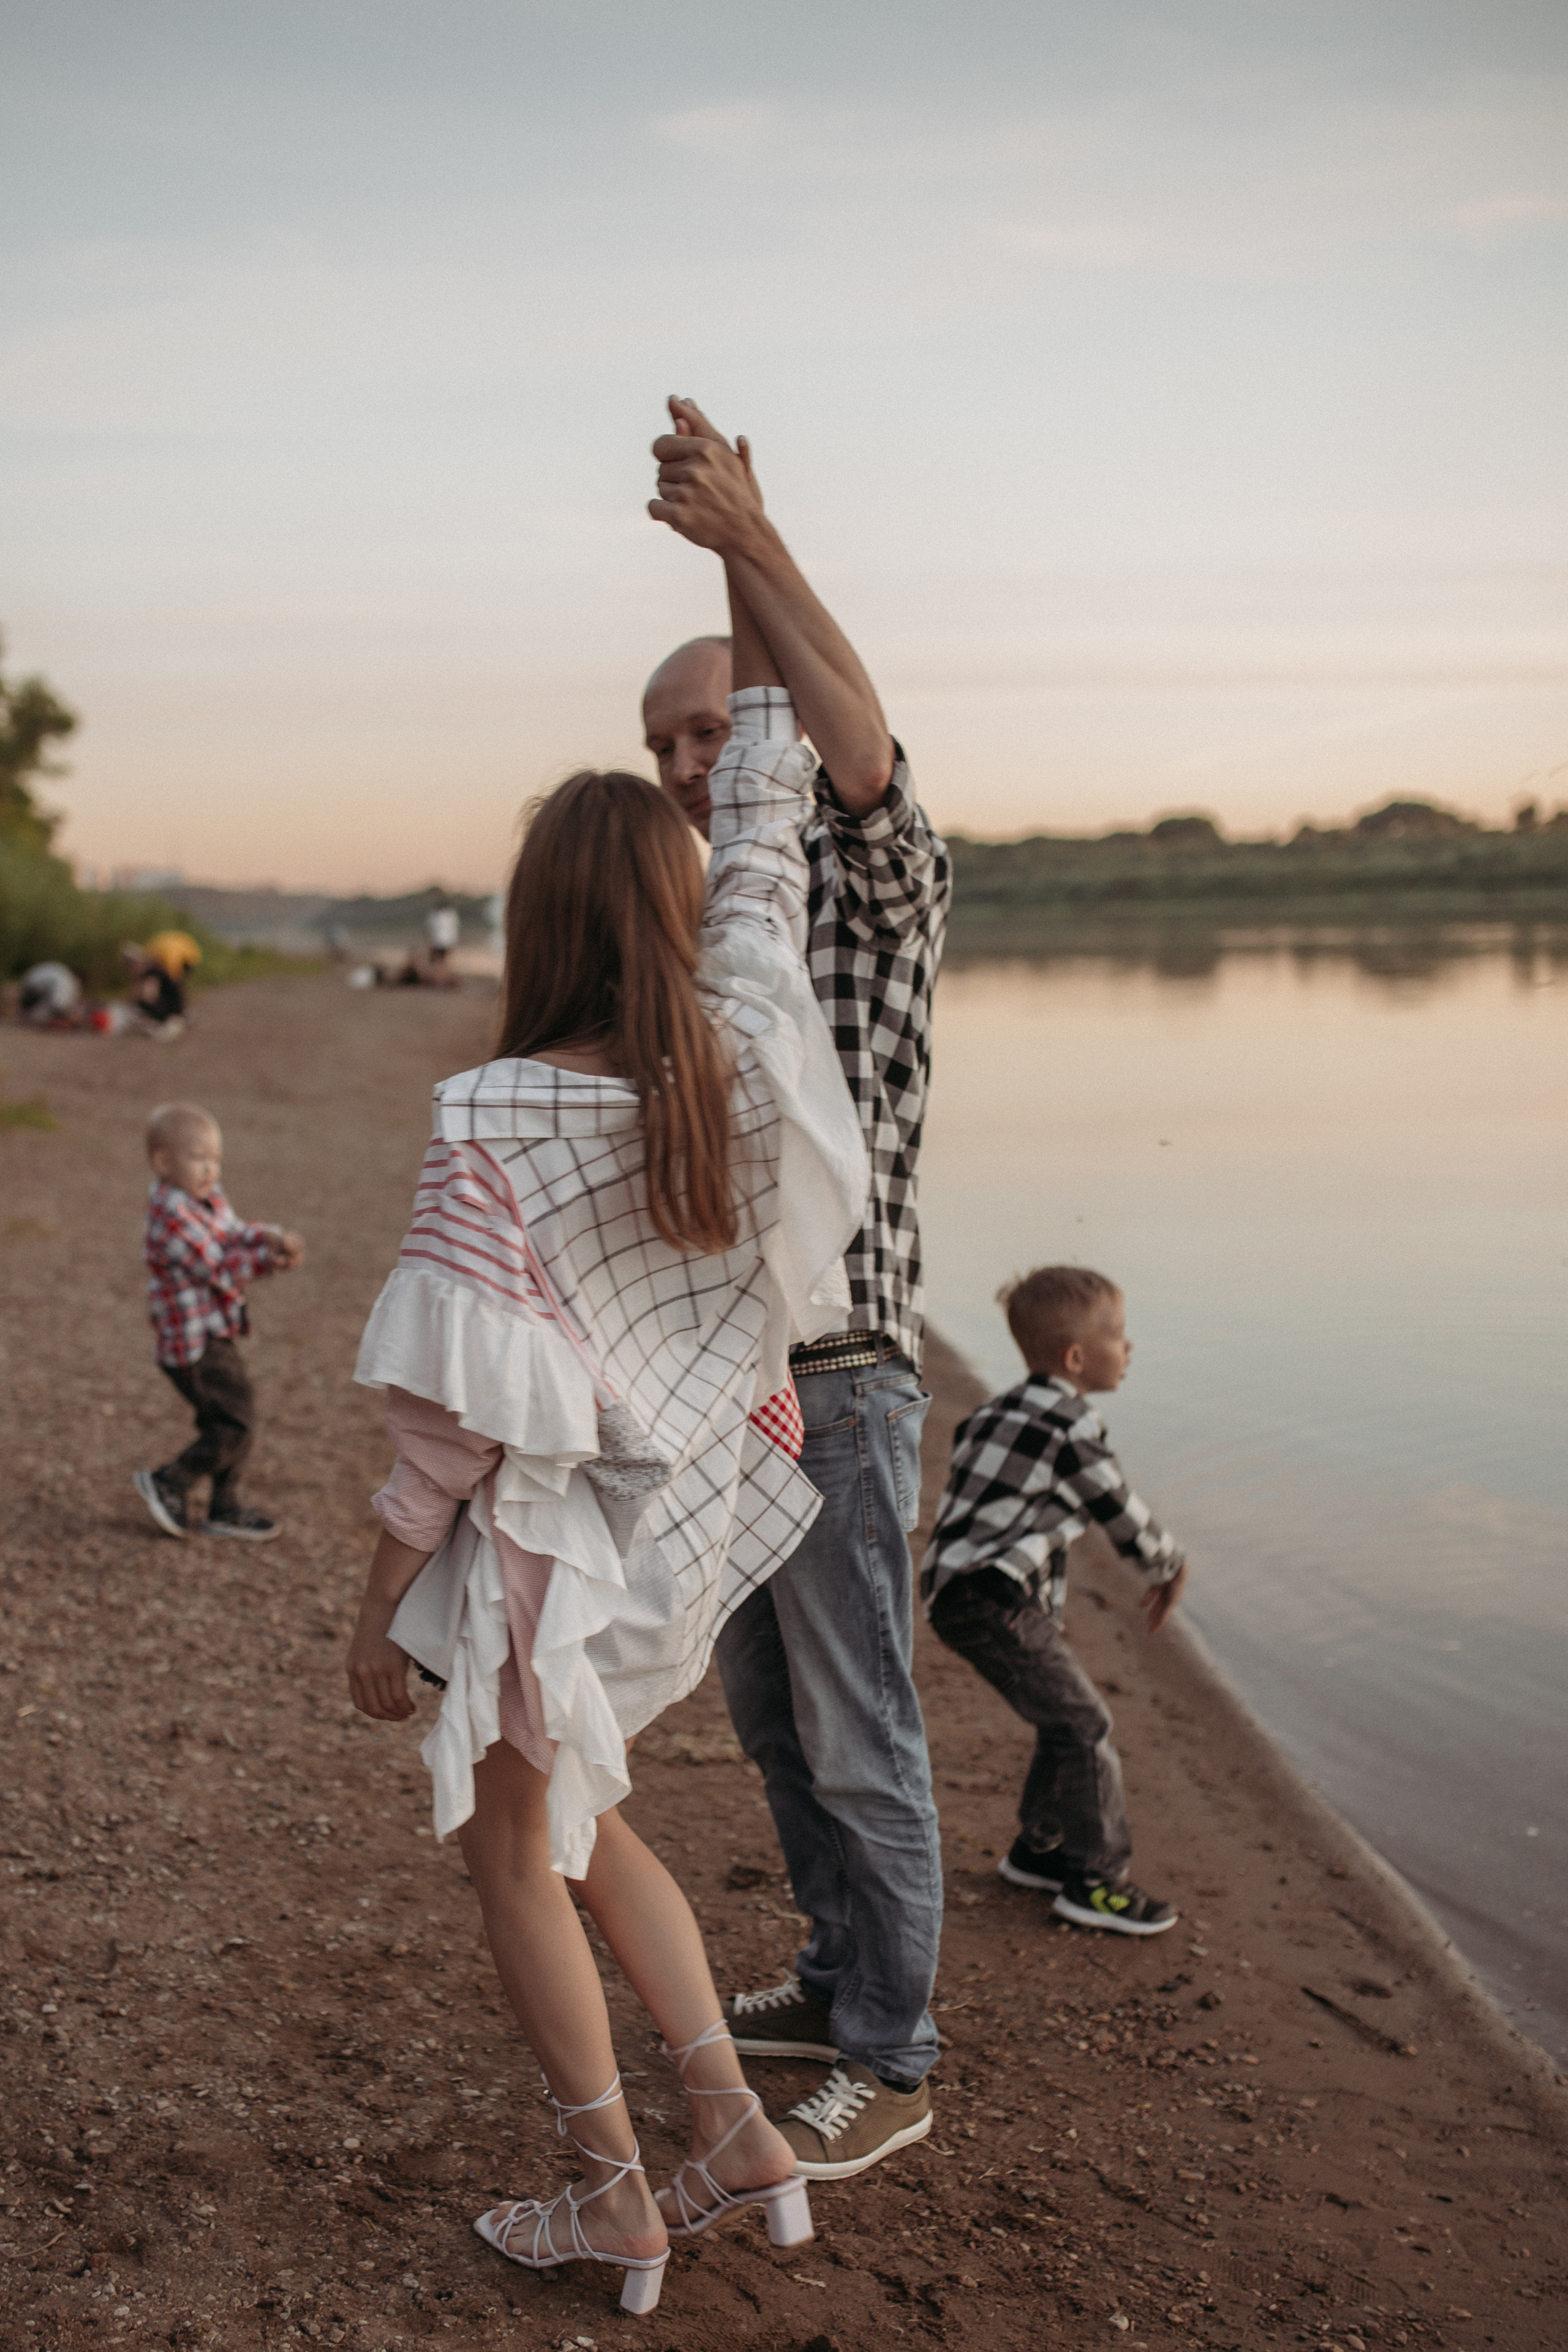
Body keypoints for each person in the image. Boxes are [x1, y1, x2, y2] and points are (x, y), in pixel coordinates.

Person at [342, 555, 871, 2313]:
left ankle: (611, 2195)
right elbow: (772, 840)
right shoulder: (732, 1055)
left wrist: (371, 1601)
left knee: (513, 1855)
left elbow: (451, 1424)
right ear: (673, 898)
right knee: (587, 1816)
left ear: (533, 921)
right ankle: (730, 2134)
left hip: (550, 1552)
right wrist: (745, 550)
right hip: (688, 1528)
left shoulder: (489, 1111)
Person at [643, 398, 951, 2179]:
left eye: (708, 728)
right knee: (774, 1716)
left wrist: (750, 538)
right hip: (737, 1386)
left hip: (840, 1368)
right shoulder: (726, 926)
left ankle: (893, 2052)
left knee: (856, 1725)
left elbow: (835, 739)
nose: (694, 759)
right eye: (662, 740)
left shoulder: (868, 883)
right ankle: (840, 1980)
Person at [921, 1265, 1186, 1936]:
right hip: (992, 1597)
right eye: (1119, 1337)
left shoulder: (992, 1413)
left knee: (1061, 1718)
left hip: (961, 1592)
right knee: (1086, 1726)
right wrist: (1168, 1561)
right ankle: (1096, 1882)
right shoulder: (1068, 1424)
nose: (1130, 1349)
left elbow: (1010, 1519)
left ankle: (1038, 1850)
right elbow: (1116, 1507)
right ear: (1076, 1357)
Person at [133, 1101, 303, 1542]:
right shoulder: (171, 1217)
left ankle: (224, 1508)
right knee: (236, 1422)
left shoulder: (201, 1196)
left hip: (213, 1334)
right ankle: (172, 1480)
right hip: (192, 1346)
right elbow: (220, 1268)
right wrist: (270, 1260)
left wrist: (268, 1237)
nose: (211, 1169)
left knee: (232, 1415)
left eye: (216, 1159)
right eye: (199, 1159)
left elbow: (230, 1233)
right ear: (163, 1163)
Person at [18, 960, 83, 1028]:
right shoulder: (67, 981)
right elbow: (58, 1005)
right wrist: (68, 1017)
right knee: (48, 1015)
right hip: (33, 992)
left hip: (30, 983)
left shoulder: (63, 972)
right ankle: (31, 1018)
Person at [424, 897, 461, 979]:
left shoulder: (449, 915)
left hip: (444, 942)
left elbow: (453, 929)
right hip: (440, 941)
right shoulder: (447, 915)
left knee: (442, 961)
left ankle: (442, 977)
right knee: (438, 961)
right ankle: (439, 977)